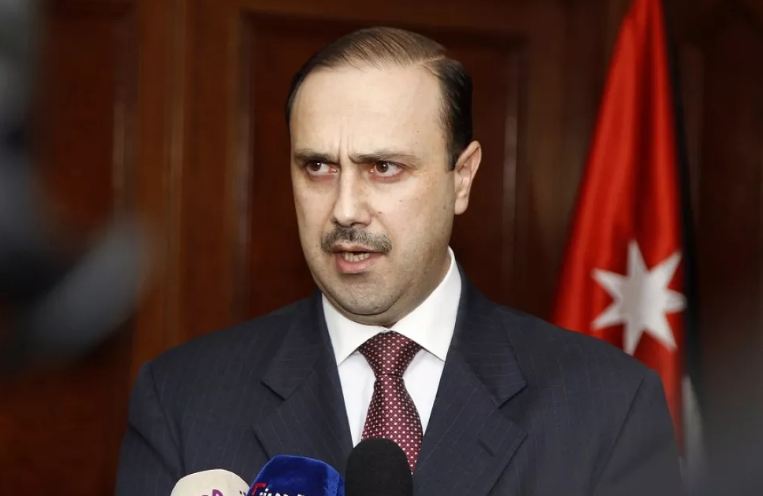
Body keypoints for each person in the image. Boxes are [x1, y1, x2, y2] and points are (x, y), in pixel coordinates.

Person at [115, 27, 682, 495]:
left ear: (462, 178)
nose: (344, 209)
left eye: (383, 168)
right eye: (318, 167)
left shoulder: (608, 405)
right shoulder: (183, 399)